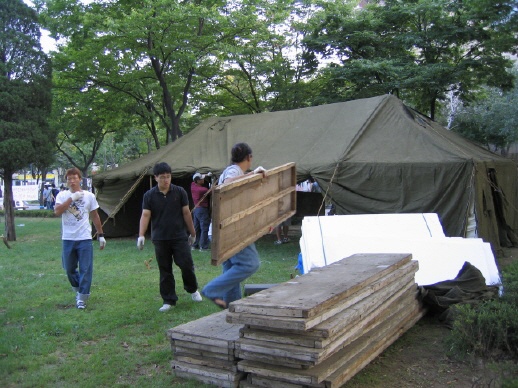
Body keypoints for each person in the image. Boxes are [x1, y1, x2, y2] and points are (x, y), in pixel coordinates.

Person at [202, 142, 266, 309]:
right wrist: (253, 175)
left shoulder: (231, 171)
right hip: (230, 230)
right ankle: (211, 290)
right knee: (250, 264)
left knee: (231, 268)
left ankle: (231, 308)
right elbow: (228, 183)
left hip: (220, 229)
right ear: (249, 157)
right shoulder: (234, 171)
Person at [137, 162, 203, 312]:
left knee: (186, 265)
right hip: (160, 238)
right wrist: (141, 235)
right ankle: (169, 300)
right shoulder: (149, 195)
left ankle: (193, 290)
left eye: (168, 177)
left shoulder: (180, 192)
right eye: (162, 177)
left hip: (179, 236)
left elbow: (186, 213)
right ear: (156, 178)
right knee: (165, 270)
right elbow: (145, 215)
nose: (166, 180)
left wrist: (193, 233)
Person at [54, 168, 106, 309]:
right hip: (68, 238)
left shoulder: (89, 196)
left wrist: (100, 235)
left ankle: (82, 297)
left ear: (80, 179)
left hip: (84, 238)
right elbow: (57, 211)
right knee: (69, 269)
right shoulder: (62, 195)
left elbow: (95, 215)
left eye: (74, 178)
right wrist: (72, 198)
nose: (72, 181)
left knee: (86, 269)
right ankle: (78, 291)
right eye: (69, 179)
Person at [190, 172, 212, 251]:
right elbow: (211, 191)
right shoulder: (203, 190)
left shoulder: (193, 185)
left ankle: (194, 245)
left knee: (197, 228)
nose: (203, 179)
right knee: (204, 228)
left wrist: (207, 175)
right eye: (201, 179)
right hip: (202, 209)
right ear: (198, 181)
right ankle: (203, 247)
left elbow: (196, 179)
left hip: (196, 209)